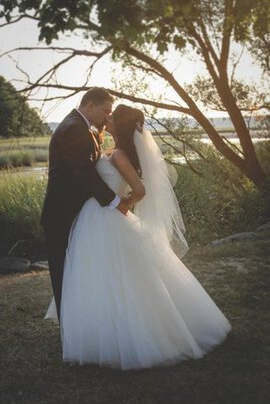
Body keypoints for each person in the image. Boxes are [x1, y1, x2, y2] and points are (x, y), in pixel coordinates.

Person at [45, 104, 232, 371]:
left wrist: (123, 205)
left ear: (119, 124)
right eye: (106, 113)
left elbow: (140, 189)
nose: (106, 118)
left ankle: (126, 331)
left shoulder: (120, 155)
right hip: (95, 216)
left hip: (105, 216)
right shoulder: (111, 148)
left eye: (112, 116)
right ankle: (101, 327)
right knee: (99, 275)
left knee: (116, 275)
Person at [40, 88, 128, 322]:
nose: (108, 116)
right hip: (61, 215)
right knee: (62, 274)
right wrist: (116, 201)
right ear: (89, 105)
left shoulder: (80, 127)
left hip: (72, 214)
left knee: (74, 272)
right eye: (105, 111)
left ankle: (80, 324)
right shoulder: (72, 129)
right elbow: (85, 173)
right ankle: (69, 328)